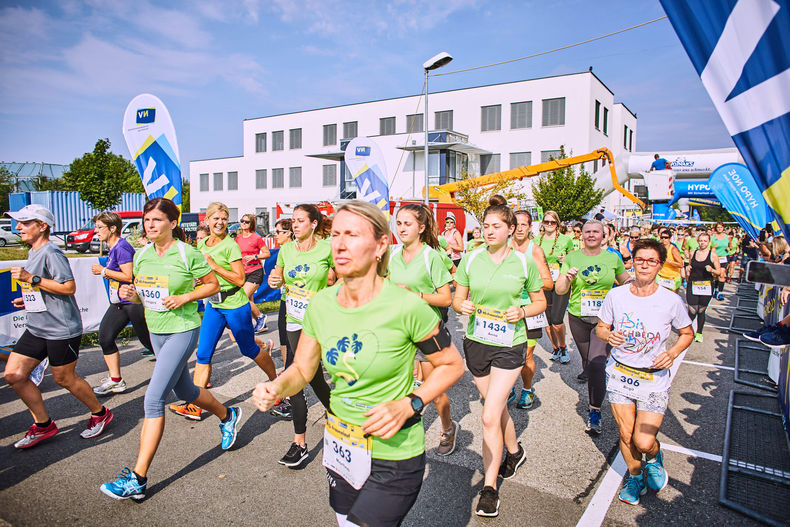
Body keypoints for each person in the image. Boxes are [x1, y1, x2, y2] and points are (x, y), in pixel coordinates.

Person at [253, 200, 464, 527]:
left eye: (352, 235)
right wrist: (276, 386)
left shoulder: (406, 306)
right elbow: (303, 369)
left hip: (393, 452)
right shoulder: (321, 305)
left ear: (380, 245)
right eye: (336, 234)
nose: (339, 243)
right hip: (342, 445)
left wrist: (411, 403)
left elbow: (452, 364)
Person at [100, 198, 242, 500]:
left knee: (153, 399)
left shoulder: (187, 253)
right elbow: (141, 296)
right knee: (186, 391)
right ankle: (228, 415)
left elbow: (213, 286)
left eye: (157, 220)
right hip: (157, 330)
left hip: (183, 329)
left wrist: (185, 297)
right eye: (146, 220)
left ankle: (137, 479)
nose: (150, 225)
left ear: (173, 223)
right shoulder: (141, 255)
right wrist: (130, 294)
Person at [453, 196, 546, 517]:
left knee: (489, 415)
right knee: (497, 407)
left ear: (510, 229)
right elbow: (457, 299)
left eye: (496, 226)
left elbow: (540, 302)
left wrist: (522, 311)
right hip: (477, 343)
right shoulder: (470, 259)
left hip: (510, 344)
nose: (489, 231)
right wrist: (461, 305)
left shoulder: (523, 262)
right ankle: (515, 451)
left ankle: (489, 488)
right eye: (486, 226)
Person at [4, 204, 114, 449]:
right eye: (18, 223)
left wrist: (31, 278)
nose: (18, 227)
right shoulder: (34, 251)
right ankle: (43, 425)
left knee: (65, 379)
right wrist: (29, 298)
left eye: (25, 223)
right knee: (14, 375)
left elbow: (68, 287)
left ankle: (100, 413)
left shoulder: (52, 253)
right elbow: (46, 287)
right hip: (37, 326)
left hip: (60, 329)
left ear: (42, 226)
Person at [596, 238, 693, 505]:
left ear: (660, 265)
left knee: (643, 440)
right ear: (633, 262)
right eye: (640, 259)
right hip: (620, 373)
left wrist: (672, 353)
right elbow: (601, 327)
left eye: (651, 261)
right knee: (626, 434)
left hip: (652, 378)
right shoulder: (616, 295)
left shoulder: (671, 300)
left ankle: (653, 456)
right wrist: (608, 335)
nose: (644, 265)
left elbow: (687, 333)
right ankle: (635, 476)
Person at [169, 202, 277, 421]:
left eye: (224, 219)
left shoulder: (230, 246)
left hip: (235, 304)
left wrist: (215, 266)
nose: (220, 223)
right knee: (203, 354)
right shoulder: (202, 244)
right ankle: (195, 406)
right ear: (207, 220)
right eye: (216, 218)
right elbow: (203, 274)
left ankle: (277, 384)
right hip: (214, 305)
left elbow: (239, 279)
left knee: (248, 349)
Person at [267, 203, 335, 467]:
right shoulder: (286, 250)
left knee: (307, 376)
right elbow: (278, 276)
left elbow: (343, 278)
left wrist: (330, 295)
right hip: (294, 320)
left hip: (319, 323)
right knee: (302, 376)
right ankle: (301, 443)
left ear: (313, 224)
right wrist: (275, 280)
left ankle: (333, 416)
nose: (295, 225)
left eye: (300, 220)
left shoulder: (327, 248)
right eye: (293, 221)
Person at [389, 204, 457, 455]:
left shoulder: (432, 257)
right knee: (398, 384)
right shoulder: (393, 256)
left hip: (427, 331)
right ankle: (401, 426)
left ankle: (448, 428)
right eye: (398, 223)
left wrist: (415, 294)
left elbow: (446, 299)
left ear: (421, 228)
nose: (401, 228)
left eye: (407, 224)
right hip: (400, 331)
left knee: (434, 390)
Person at [555, 219, 630, 434]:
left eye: (596, 232)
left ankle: (595, 410)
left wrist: (638, 285)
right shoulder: (572, 257)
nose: (591, 235)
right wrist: (568, 278)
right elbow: (560, 289)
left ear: (603, 235)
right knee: (588, 362)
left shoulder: (612, 258)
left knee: (597, 363)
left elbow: (625, 280)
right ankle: (598, 385)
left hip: (603, 321)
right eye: (587, 231)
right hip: (578, 317)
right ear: (581, 235)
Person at [91, 211, 153, 396]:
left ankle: (177, 373)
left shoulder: (122, 246)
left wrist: (104, 271)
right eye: (96, 227)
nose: (96, 231)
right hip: (119, 303)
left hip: (132, 302)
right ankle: (116, 380)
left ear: (112, 228)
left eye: (99, 227)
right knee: (105, 338)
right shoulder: (113, 248)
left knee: (150, 342)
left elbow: (128, 275)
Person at [509, 210, 553, 409]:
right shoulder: (504, 248)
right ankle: (508, 387)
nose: (519, 228)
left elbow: (548, 283)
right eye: (516, 224)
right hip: (507, 308)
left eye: (524, 225)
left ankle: (527, 390)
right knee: (505, 352)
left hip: (530, 308)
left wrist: (524, 283)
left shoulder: (535, 251)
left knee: (526, 355)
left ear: (529, 227)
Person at [535, 210, 575, 363]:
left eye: (553, 222)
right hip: (543, 284)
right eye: (547, 221)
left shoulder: (566, 240)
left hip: (560, 283)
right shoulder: (536, 241)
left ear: (557, 224)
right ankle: (555, 347)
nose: (549, 224)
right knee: (547, 320)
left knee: (557, 320)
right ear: (543, 223)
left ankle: (563, 347)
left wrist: (566, 260)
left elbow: (574, 259)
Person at [270, 218, 296, 419]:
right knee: (285, 343)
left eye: (279, 232)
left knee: (297, 352)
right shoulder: (282, 252)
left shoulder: (297, 251)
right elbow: (276, 279)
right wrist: (275, 279)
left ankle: (290, 394)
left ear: (289, 233)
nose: (276, 235)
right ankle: (287, 377)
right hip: (284, 300)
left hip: (300, 305)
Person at [685, 232, 723, 343]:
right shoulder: (693, 253)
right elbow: (690, 265)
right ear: (698, 241)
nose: (702, 243)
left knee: (701, 310)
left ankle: (699, 333)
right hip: (693, 283)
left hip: (706, 285)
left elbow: (719, 272)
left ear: (709, 242)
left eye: (705, 241)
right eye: (701, 241)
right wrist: (687, 269)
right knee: (692, 309)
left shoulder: (713, 255)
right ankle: (687, 331)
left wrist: (712, 270)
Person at [236, 213, 271, 333]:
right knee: (249, 301)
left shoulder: (256, 238)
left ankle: (261, 316)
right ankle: (260, 324)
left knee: (243, 297)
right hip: (242, 272)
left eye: (246, 222)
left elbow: (267, 253)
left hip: (255, 271)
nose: (243, 223)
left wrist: (255, 256)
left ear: (251, 224)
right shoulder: (238, 238)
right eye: (242, 221)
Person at [710, 222, 729, 300]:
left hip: (723, 258)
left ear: (723, 228)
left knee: (721, 275)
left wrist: (729, 248)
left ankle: (720, 292)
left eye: (721, 227)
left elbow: (730, 246)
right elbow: (709, 247)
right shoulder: (712, 237)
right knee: (715, 276)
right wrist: (713, 248)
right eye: (718, 227)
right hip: (715, 258)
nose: (719, 229)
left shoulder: (727, 237)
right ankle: (715, 290)